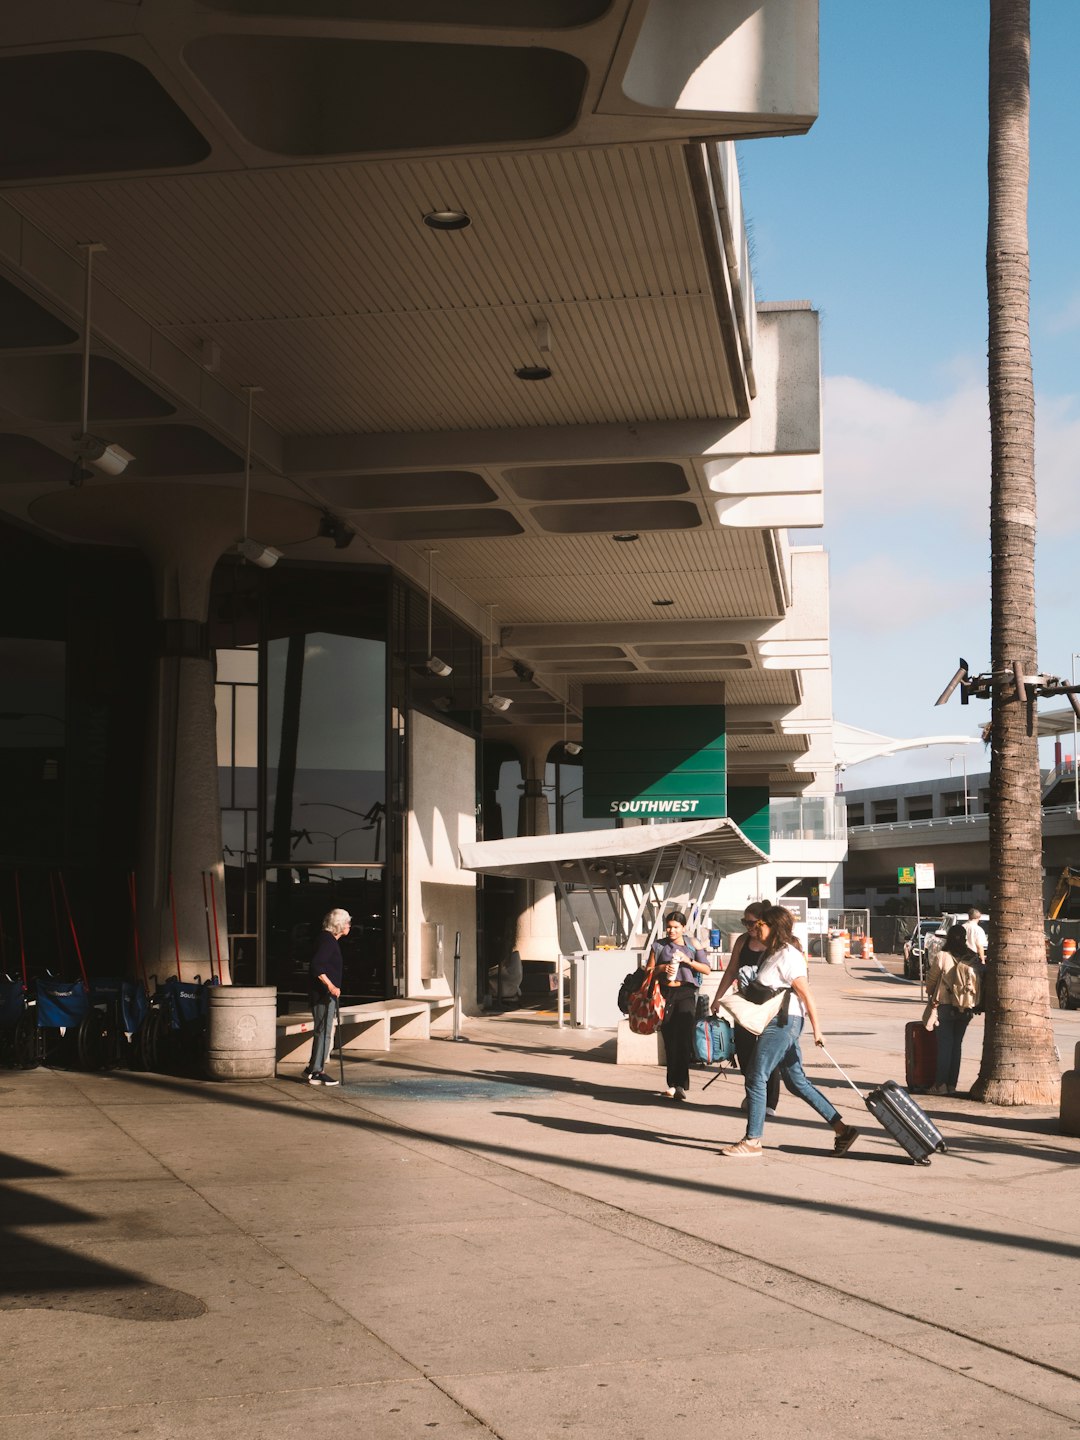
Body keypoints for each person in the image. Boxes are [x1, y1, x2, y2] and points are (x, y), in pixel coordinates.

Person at [718, 904, 858, 1159]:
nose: (754, 929)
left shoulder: (788, 955)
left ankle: (752, 1141)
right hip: (780, 1021)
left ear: (774, 927)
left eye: (759, 925)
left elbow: (806, 993)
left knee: (756, 1076)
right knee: (796, 1082)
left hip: (783, 1023)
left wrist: (818, 1030)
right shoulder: (772, 954)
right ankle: (842, 1129)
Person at [710, 900, 780, 1116]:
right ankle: (753, 1095)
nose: (748, 927)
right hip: (744, 1004)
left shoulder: (774, 943)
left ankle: (769, 1103)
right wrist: (718, 998)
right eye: (744, 922)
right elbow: (731, 971)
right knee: (745, 1052)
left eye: (751, 922)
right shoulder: (742, 941)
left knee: (768, 1054)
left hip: (769, 1005)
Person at [647, 911, 711, 1100]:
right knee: (669, 1039)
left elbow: (706, 968)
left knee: (683, 1038)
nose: (671, 930)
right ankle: (672, 1083)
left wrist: (688, 961)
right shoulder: (659, 945)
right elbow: (648, 970)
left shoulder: (693, 945)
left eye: (676, 927)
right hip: (665, 994)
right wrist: (661, 968)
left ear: (684, 928)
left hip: (686, 993)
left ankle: (680, 1084)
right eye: (669, 926)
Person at [924, 923, 982, 1095]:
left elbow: (931, 981)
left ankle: (940, 1084)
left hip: (946, 1005)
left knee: (945, 1046)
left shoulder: (942, 956)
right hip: (966, 1006)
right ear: (965, 938)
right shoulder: (972, 956)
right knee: (957, 1046)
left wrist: (931, 992)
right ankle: (951, 1085)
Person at [305, 908, 350, 1086]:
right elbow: (317, 966)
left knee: (323, 1031)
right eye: (347, 922)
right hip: (324, 995)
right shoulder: (328, 941)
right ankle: (317, 1071)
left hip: (324, 994)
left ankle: (312, 1068)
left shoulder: (327, 940)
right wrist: (331, 986)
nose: (349, 926)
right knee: (324, 1032)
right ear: (339, 924)